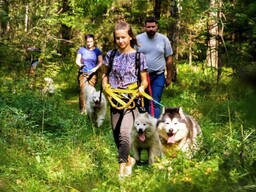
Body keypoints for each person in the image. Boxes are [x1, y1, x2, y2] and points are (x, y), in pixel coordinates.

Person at [102, 21, 148, 178]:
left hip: (131, 102)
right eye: (117, 38)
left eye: (123, 37)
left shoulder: (139, 57)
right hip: (114, 100)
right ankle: (129, 160)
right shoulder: (111, 55)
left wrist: (141, 88)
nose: (120, 41)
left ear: (131, 37)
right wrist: (105, 86)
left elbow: (144, 80)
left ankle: (121, 175)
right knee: (116, 137)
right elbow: (105, 75)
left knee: (124, 134)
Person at [136, 16, 174, 118]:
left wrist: (169, 76)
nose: (151, 29)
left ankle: (155, 126)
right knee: (141, 101)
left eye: (153, 26)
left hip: (158, 76)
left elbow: (169, 58)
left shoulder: (163, 39)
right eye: (148, 27)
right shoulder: (138, 39)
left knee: (155, 101)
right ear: (145, 27)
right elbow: (132, 57)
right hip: (141, 76)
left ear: (157, 27)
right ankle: (142, 126)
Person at [76, 34, 103, 114]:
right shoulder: (81, 50)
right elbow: (77, 60)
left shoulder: (97, 51)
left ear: (93, 41)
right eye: (87, 42)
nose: (89, 43)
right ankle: (82, 110)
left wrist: (95, 69)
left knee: (91, 91)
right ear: (85, 41)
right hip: (83, 72)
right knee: (82, 91)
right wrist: (80, 64)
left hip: (93, 73)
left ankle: (91, 109)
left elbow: (101, 62)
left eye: (90, 41)